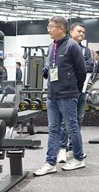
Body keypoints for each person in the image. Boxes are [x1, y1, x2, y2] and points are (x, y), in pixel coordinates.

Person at [34, 16, 87, 176]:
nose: (49, 29)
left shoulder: (72, 46)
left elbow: (82, 71)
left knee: (72, 127)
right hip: (52, 95)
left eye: (51, 26)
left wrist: (76, 91)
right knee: (53, 129)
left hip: (68, 94)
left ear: (61, 29)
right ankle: (50, 162)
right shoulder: (52, 46)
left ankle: (78, 158)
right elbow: (50, 66)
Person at [57, 22, 94, 163]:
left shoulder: (86, 51)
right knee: (66, 121)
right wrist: (78, 66)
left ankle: (73, 148)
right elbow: (62, 66)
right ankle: (62, 149)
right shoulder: (63, 47)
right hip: (67, 91)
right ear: (71, 32)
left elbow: (90, 66)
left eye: (83, 32)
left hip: (82, 90)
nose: (81, 34)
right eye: (79, 31)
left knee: (78, 119)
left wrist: (76, 66)